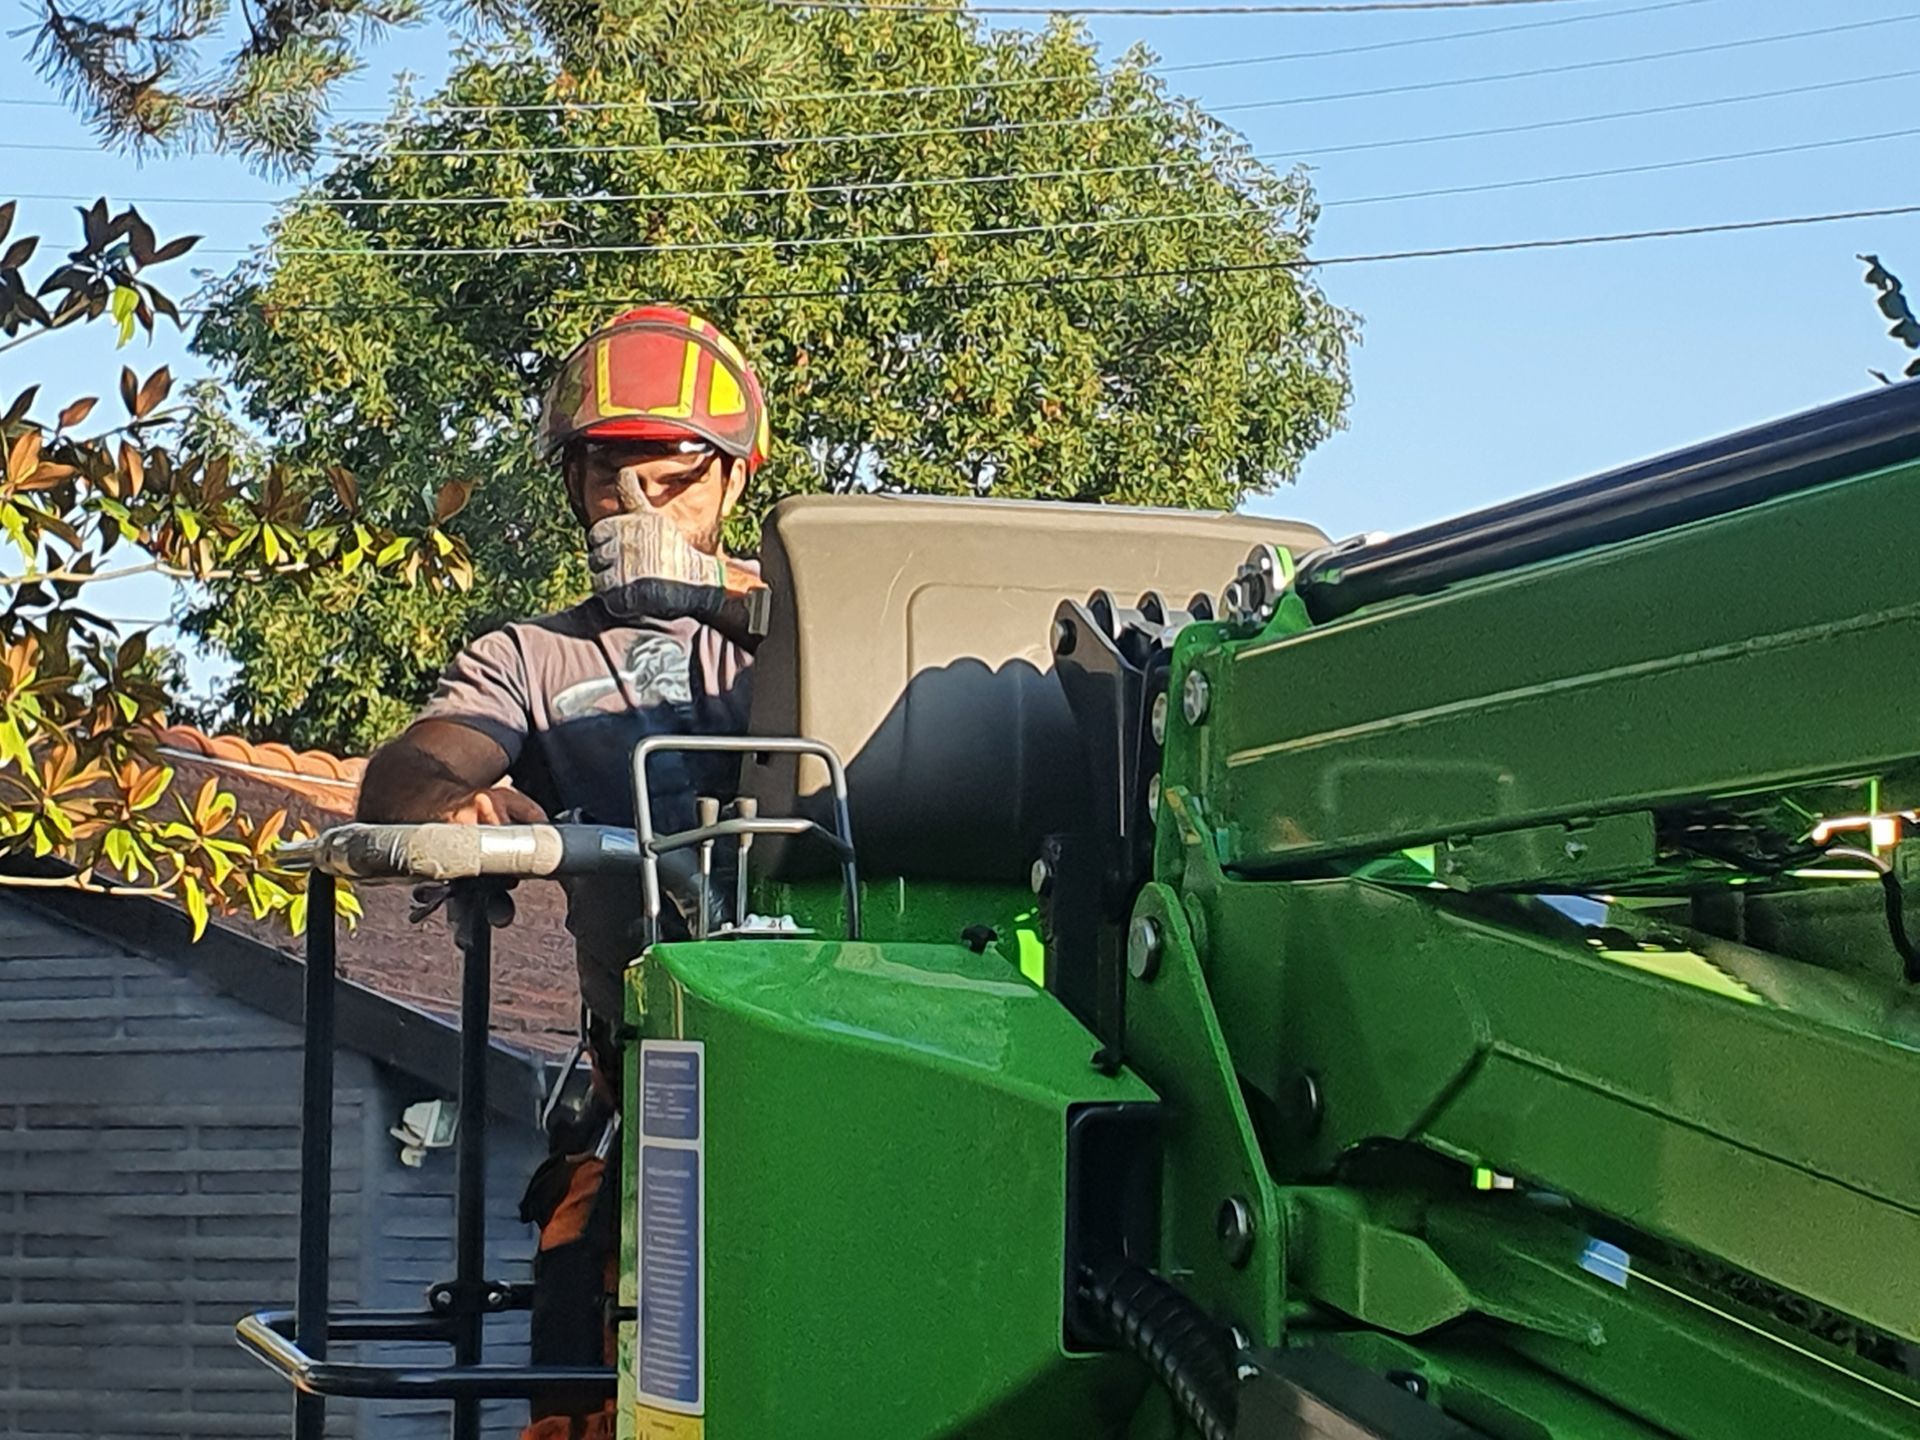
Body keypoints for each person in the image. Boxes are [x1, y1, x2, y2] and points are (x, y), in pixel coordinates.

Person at [354, 305, 772, 1440]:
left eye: (671, 477)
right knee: (599, 1398)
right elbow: (398, 784)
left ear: (734, 479)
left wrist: (735, 605)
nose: (636, 505)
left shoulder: (805, 627)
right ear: (571, 484)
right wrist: (459, 804)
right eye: (607, 476)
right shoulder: (527, 659)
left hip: (833, 1076)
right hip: (651, 1102)